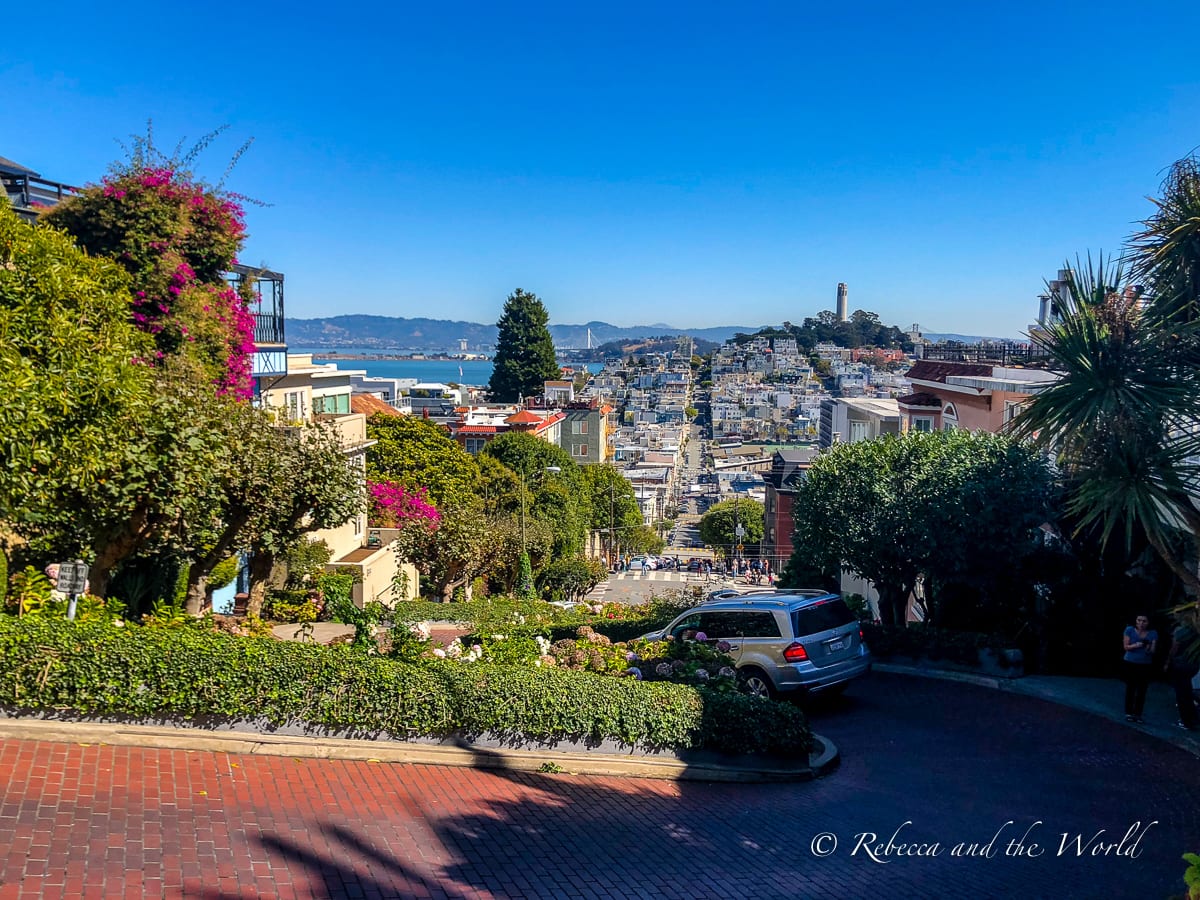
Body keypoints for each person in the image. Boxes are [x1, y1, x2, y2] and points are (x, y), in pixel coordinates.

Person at [1164, 613, 1200, 731]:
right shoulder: (1195, 632)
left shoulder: (1181, 631)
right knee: (1187, 690)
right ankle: (1192, 717)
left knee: (1181, 693)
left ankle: (1186, 721)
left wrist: (1168, 662)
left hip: (1181, 664)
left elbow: (1174, 648)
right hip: (1193, 665)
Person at [1122, 613, 1157, 723]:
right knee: (1131, 688)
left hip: (1145, 664)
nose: (1141, 623)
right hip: (1130, 662)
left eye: (1144, 621)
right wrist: (1136, 645)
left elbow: (1152, 651)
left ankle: (1138, 713)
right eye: (1139, 620)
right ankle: (1128, 712)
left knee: (1142, 689)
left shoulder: (1152, 633)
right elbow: (1126, 646)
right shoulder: (1130, 630)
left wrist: (1147, 647)